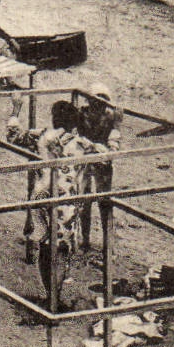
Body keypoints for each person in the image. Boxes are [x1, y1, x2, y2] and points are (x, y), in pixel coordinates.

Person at [8, 96, 94, 308]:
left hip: (42, 196)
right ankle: (55, 298)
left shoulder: (43, 135)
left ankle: (50, 296)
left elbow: (13, 136)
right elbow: (107, 155)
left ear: (55, 119)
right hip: (66, 202)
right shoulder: (83, 144)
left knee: (45, 248)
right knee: (61, 250)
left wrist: (16, 108)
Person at [77, 83, 124, 246]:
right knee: (84, 201)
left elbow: (114, 140)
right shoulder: (82, 114)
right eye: (94, 102)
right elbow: (77, 135)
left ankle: (107, 243)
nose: (97, 106)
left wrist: (115, 133)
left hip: (102, 162)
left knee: (104, 202)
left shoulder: (111, 116)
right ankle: (85, 240)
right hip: (86, 158)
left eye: (102, 103)